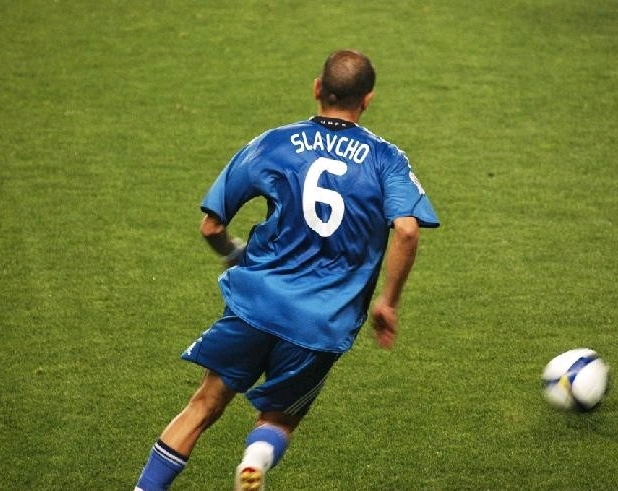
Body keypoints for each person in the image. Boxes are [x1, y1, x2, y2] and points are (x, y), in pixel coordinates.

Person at [134, 49, 439, 491]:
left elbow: (211, 226)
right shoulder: (386, 159)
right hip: (320, 322)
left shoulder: (274, 143)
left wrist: (233, 253)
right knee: (279, 419)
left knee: (202, 407)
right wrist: (387, 303)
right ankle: (254, 461)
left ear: (317, 88)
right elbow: (407, 231)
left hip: (257, 302)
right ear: (367, 99)